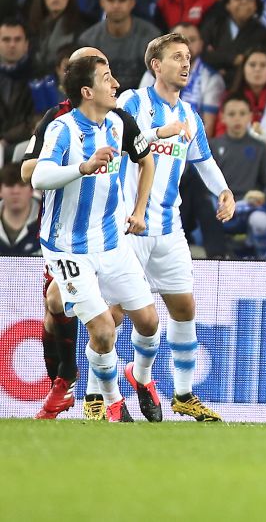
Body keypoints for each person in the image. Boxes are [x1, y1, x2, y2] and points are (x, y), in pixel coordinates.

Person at [116, 31, 235, 422]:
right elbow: (116, 143)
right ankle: (106, 395)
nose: (186, 64)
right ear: (156, 65)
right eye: (177, 57)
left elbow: (203, 160)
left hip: (169, 229)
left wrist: (224, 191)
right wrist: (155, 134)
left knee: (184, 309)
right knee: (116, 317)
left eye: (188, 57)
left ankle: (181, 393)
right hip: (129, 227)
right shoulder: (131, 102)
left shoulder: (190, 115)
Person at [31, 53, 158, 422]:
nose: (116, 83)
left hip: (111, 242)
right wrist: (83, 167)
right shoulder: (62, 129)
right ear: (87, 91)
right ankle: (112, 401)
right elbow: (39, 177)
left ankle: (138, 377)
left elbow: (144, 157)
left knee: (149, 322)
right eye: (107, 78)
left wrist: (138, 209)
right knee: (103, 331)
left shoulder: (118, 124)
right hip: (68, 249)